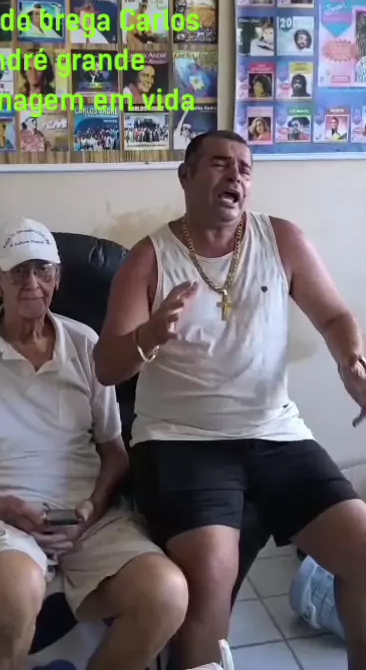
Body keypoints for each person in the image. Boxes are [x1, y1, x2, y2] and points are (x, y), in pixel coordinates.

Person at [93, 129, 366, 670]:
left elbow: (336, 316)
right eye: (219, 163)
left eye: (244, 167)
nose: (235, 175)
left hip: (275, 432)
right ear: (186, 176)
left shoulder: (281, 239)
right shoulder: (149, 258)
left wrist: (351, 361)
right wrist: (149, 335)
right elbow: (106, 367)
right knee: (210, 575)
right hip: (179, 440)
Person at [0, 218, 188, 670]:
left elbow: (114, 452)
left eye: (42, 270)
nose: (31, 283)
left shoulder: (85, 344)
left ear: (58, 279)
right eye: (17, 272)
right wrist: (4, 508)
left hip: (85, 517)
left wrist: (91, 511)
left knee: (166, 593)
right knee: (15, 591)